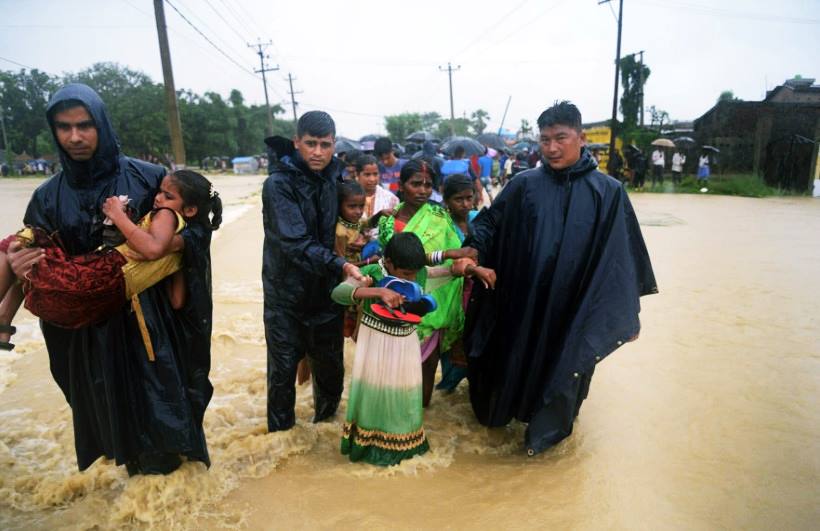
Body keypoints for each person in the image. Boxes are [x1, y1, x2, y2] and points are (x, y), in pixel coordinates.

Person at [5, 83, 214, 475]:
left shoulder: (149, 178)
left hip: (150, 328)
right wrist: (22, 269)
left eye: (85, 125)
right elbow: (38, 257)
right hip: (90, 335)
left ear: (101, 123)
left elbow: (198, 224)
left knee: (164, 422)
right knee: (112, 423)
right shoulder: (47, 197)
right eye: (64, 127)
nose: (75, 137)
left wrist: (180, 245)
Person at [462, 101, 657, 456]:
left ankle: (543, 447)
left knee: (566, 369)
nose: (551, 148)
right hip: (522, 300)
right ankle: (505, 422)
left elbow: (623, 258)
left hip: (574, 305)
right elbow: (490, 223)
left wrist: (625, 315)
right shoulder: (524, 185)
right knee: (511, 364)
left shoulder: (608, 192)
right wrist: (473, 249)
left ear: (581, 138)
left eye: (560, 138)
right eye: (545, 140)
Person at [333, 232, 493, 466]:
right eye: (405, 274)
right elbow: (338, 293)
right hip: (375, 346)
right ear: (389, 263)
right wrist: (378, 291)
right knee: (374, 393)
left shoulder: (419, 274)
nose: (411, 278)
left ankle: (402, 450)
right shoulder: (372, 274)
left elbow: (450, 271)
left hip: (406, 346)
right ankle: (369, 448)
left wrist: (475, 270)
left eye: (415, 273)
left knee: (403, 395)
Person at [0, 170, 220, 340]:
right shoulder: (182, 251)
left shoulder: (166, 215)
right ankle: (3, 322)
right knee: (30, 261)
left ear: (190, 210)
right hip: (106, 297)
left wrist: (118, 216)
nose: (158, 198)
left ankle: (4, 320)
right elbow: (177, 301)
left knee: (22, 242)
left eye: (167, 195)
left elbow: (152, 249)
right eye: (159, 192)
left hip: (95, 277)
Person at [262, 111, 364, 432]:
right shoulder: (278, 184)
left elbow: (349, 223)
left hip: (326, 295)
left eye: (324, 144)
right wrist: (342, 264)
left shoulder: (336, 179)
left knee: (332, 373)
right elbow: (294, 242)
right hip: (285, 297)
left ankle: (325, 433)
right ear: (297, 143)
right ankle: (281, 444)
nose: (318, 152)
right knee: (281, 378)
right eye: (310, 144)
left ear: (333, 145)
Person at [377, 159, 471, 406]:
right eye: (415, 184)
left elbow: (456, 250)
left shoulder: (439, 216)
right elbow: (388, 262)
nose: (422, 190)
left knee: (428, 365)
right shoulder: (389, 220)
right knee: (395, 370)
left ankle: (423, 416)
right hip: (397, 303)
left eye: (428, 185)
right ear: (402, 185)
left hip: (434, 302)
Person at [436, 174, 480, 393]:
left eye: (469, 198)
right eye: (458, 199)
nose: (465, 204)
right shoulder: (440, 224)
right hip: (450, 288)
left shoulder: (479, 219)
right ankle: (448, 385)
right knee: (451, 337)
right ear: (446, 200)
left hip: (475, 289)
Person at [355, 154, 399, 242]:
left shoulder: (391, 199)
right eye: (367, 175)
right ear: (357, 175)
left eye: (375, 174)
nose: (372, 179)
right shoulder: (348, 197)